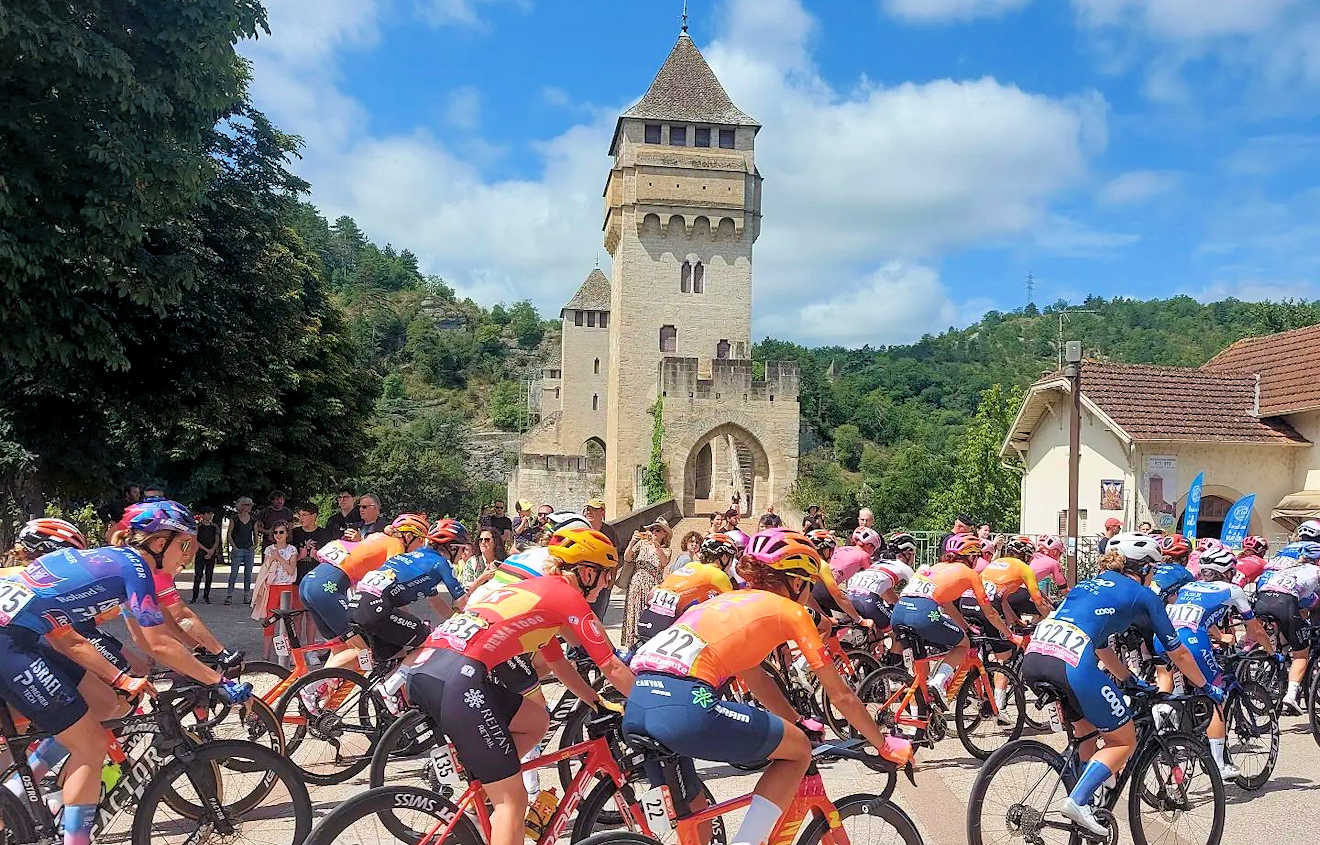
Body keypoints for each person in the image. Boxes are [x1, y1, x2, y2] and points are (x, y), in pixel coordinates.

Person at [624, 529, 913, 845]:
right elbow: (840, 693)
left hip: (639, 703)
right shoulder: (792, 610)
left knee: (696, 819)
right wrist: (883, 744)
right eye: (810, 586)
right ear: (797, 582)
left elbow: (756, 679)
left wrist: (797, 720)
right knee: (799, 751)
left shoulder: (725, 601)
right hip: (685, 705)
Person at [0, 501, 250, 845]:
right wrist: (218, 681)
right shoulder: (134, 567)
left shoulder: (107, 561)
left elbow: (69, 638)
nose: (187, 556)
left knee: (104, 702)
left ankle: (15, 794)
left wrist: (120, 679)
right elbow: (157, 643)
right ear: (159, 542)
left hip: (20, 638)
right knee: (90, 744)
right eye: (184, 545)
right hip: (9, 644)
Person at [404, 528, 633, 845]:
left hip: (429, 667)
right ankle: (495, 788)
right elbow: (611, 664)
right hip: (459, 677)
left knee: (536, 720)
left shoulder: (539, 591)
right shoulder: (567, 596)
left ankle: (486, 781)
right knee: (513, 800)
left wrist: (595, 700)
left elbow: (557, 662)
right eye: (607, 575)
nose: (608, 583)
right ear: (586, 572)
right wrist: (646, 707)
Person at [1020, 535, 1220, 838]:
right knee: (1123, 740)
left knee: (1087, 734)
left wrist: (1127, 679)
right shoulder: (1144, 595)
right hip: (1071, 665)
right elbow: (1177, 652)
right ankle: (1077, 801)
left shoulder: (1090, 584)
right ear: (1144, 568)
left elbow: (1101, 647)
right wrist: (1206, 686)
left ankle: (1089, 801)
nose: (1153, 576)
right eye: (1153, 570)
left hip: (1035, 658)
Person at [1154, 546, 1270, 778]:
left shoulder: (1188, 586)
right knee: (1213, 696)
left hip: (1163, 636)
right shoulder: (1233, 590)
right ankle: (1218, 764)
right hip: (1192, 641)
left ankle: (1161, 721)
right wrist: (1271, 651)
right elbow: (1255, 629)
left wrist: (1219, 636)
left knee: (1166, 683)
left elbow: (1194, 613)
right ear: (1227, 572)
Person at [890, 533, 1019, 705]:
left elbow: (947, 604)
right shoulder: (970, 573)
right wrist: (1009, 635)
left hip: (899, 612)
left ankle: (920, 722)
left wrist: (965, 626)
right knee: (963, 644)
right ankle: (938, 683)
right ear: (971, 556)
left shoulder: (936, 567)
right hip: (924, 613)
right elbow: (990, 613)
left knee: (921, 673)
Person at [299, 513, 425, 674]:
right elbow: (391, 582)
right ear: (408, 536)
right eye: (420, 540)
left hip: (310, 583)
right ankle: (312, 687)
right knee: (362, 651)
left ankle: (320, 694)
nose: (421, 547)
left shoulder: (376, 537)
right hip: (326, 589)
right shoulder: (395, 544)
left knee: (341, 649)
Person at [346, 518, 465, 672]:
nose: (463, 554)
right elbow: (462, 603)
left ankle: (312, 685)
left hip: (358, 604)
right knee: (428, 640)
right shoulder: (441, 564)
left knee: (396, 659)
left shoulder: (414, 557)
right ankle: (388, 690)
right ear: (453, 547)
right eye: (462, 549)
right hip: (376, 610)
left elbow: (436, 602)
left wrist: (452, 621)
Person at [633, 533, 736, 648]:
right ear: (724, 558)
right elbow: (732, 608)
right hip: (673, 631)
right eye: (731, 559)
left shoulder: (691, 566)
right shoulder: (718, 575)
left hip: (648, 619)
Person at [1253, 541, 1320, 713]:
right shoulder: (1316, 571)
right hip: (1284, 603)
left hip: (1262, 600)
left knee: (1287, 637)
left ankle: (1278, 659)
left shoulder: (1289, 567)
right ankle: (1291, 695)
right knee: (1301, 653)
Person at [251, 522, 299, 661]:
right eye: (276, 532)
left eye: (281, 532)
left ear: (287, 534)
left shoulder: (292, 550)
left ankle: (288, 656)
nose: (278, 535)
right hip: (272, 588)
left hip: (287, 587)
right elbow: (265, 569)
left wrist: (278, 558)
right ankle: (266, 655)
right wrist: (272, 558)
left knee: (288, 621)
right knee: (269, 620)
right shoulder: (269, 549)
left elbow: (291, 570)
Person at [622, 518, 673, 649]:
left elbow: (664, 562)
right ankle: (632, 645)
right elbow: (627, 558)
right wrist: (632, 541)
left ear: (664, 534)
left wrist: (656, 545)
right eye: (652, 529)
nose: (653, 532)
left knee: (649, 615)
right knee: (634, 613)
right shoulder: (641, 544)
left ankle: (648, 645)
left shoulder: (665, 549)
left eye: (657, 530)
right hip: (637, 583)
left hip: (653, 586)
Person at [224, 496, 257, 605]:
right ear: (242, 506)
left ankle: (247, 595)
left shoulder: (253, 519)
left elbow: (255, 534)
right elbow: (229, 534)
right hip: (238, 549)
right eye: (247, 504)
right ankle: (229, 595)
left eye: (250, 504)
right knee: (234, 573)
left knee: (248, 574)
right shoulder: (235, 518)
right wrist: (234, 547)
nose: (250, 507)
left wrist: (255, 546)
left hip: (249, 549)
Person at [290, 503, 328, 584]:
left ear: (314, 516)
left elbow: (331, 562)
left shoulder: (325, 534)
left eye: (304, 515)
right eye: (300, 515)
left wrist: (316, 556)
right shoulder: (293, 533)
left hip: (318, 579)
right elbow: (286, 559)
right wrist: (299, 556)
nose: (301, 518)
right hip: (297, 579)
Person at [190, 505, 220, 604]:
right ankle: (195, 596)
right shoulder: (198, 526)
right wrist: (206, 550)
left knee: (209, 575)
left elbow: (217, 540)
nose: (210, 516)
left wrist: (211, 551)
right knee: (198, 575)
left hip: (211, 553)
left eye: (211, 514)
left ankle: (206, 596)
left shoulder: (214, 527)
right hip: (201, 553)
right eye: (208, 514)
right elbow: (196, 540)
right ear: (203, 515)